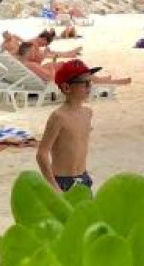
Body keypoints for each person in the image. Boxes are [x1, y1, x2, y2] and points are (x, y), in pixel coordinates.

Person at [36, 59, 100, 192]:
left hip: (83, 178)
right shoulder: (58, 117)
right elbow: (42, 153)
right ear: (66, 88)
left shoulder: (88, 113)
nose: (89, 86)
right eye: (84, 83)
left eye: (90, 82)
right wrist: (53, 185)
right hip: (62, 181)